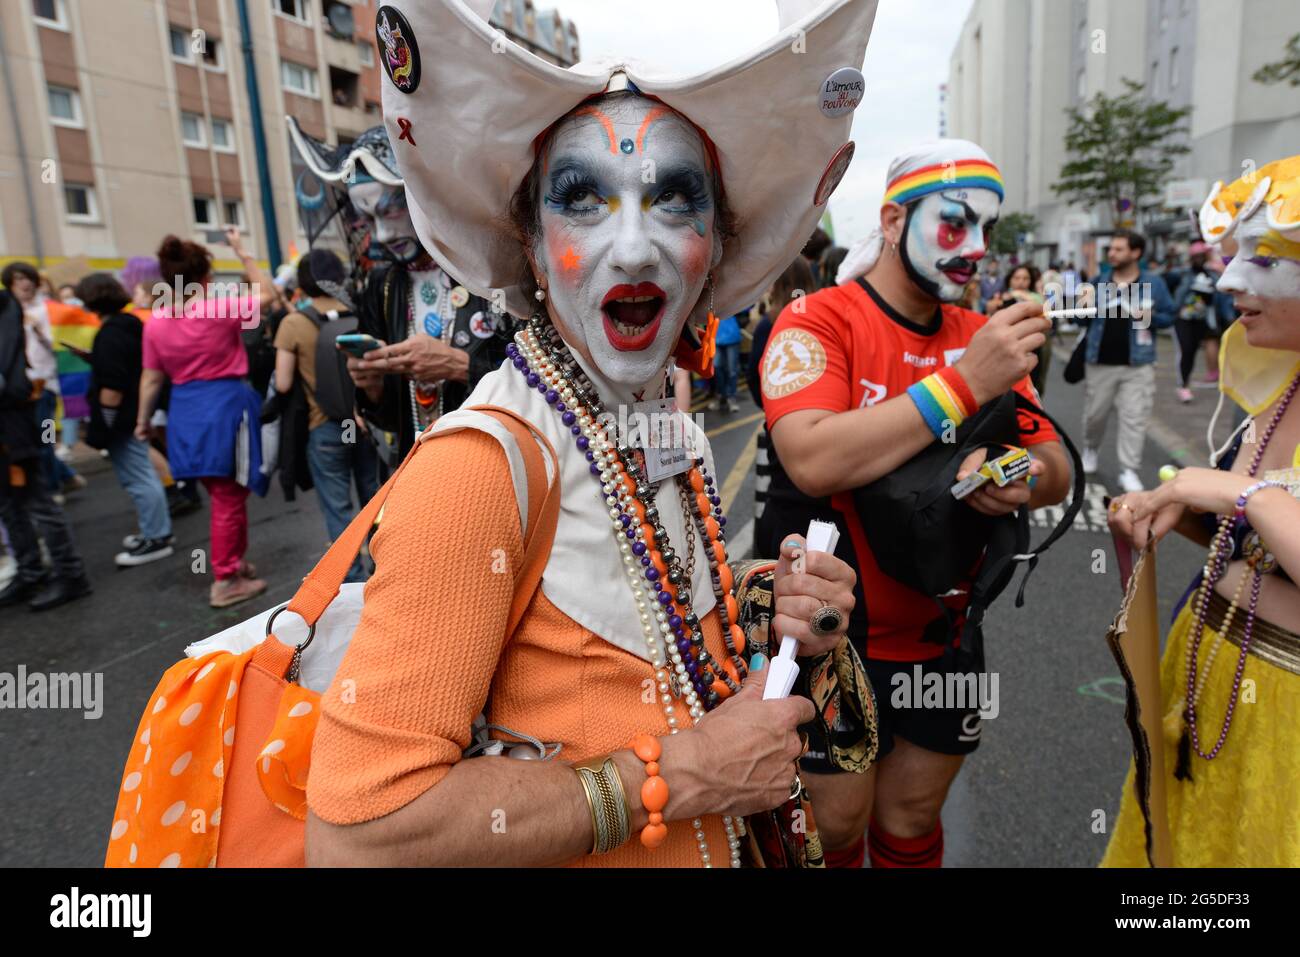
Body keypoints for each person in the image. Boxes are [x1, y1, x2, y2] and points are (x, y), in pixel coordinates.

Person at [304, 0, 879, 868]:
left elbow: (640, 639)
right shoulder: (478, 469)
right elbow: (359, 837)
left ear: (715, 249)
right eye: (584, 201)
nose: (636, 249)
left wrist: (764, 606)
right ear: (532, 248)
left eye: (674, 200)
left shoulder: (657, 420)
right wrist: (682, 775)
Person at [760, 139, 1073, 868]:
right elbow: (811, 458)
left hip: (946, 627)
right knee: (835, 823)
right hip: (835, 631)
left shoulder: (978, 334)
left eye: (988, 230)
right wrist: (964, 384)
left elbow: (1056, 465)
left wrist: (1013, 473)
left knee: (910, 817)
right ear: (895, 220)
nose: (975, 248)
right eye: (955, 222)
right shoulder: (818, 319)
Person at [1103, 155, 1300, 866]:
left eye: (1267, 259)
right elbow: (1252, 541)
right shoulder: (1280, 387)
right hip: (1209, 672)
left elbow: (1257, 505)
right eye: (1237, 255)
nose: (1230, 280)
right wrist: (1174, 512)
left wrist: (1239, 491)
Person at [286, 120, 514, 466]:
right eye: (367, 219)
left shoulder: (495, 273)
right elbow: (390, 418)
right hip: (414, 475)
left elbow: (550, 384)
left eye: (390, 211)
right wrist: (372, 385)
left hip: (495, 467)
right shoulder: (384, 285)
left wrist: (460, 366)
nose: (380, 236)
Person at [136, 228, 276, 608]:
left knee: (224, 491)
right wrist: (242, 252)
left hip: (185, 408)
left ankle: (233, 563)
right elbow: (268, 294)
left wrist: (142, 421)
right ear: (205, 277)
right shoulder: (217, 308)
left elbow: (151, 378)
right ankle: (225, 579)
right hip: (224, 404)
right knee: (230, 494)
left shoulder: (156, 322)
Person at [274, 249, 379, 582]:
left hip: (324, 426)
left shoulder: (294, 323)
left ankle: (352, 587)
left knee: (340, 513)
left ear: (303, 281)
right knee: (374, 505)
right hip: (365, 421)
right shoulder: (360, 312)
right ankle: (387, 573)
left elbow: (284, 382)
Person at [0, 284, 91, 611]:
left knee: (36, 501)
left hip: (13, 426)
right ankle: (30, 571)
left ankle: (70, 574)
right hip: (10, 423)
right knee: (8, 505)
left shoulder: (6, 308)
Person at [75, 273, 174, 566]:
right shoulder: (129, 326)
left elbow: (113, 387)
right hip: (131, 413)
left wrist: (104, 424)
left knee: (139, 478)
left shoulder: (110, 333)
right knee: (143, 474)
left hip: (121, 419)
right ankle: (155, 531)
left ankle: (156, 536)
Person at [1079, 229, 1175, 492]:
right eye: (1111, 248)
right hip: (1099, 361)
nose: (1112, 253)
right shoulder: (1098, 282)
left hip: (1138, 363)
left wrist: (1147, 315)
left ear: (1136, 253)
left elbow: (1168, 317)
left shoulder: (1154, 284)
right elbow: (1079, 318)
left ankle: (1128, 469)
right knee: (1094, 415)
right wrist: (1080, 303)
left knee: (1135, 417)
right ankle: (1090, 449)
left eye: (1119, 249)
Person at [0, 262, 85, 497]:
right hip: (18, 391)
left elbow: (63, 347)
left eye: (27, 278)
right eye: (17, 279)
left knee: (45, 438)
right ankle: (65, 476)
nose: (24, 283)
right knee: (33, 442)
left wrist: (38, 331)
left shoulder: (48, 312)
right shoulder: (6, 312)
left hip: (44, 387)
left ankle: (53, 487)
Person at [748, 256, 815, 527]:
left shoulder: (769, 323)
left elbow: (755, 383)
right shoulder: (822, 318)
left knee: (778, 500)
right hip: (820, 423)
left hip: (779, 428)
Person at [1171, 240, 1236, 402]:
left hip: (1204, 320)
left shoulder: (1212, 274)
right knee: (1185, 351)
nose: (1199, 259)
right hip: (1183, 320)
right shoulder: (1183, 274)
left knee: (1192, 353)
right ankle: (1183, 386)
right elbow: (1170, 283)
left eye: (1202, 256)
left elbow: (1223, 293)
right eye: (1196, 256)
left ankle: (1188, 383)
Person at [988, 262, 1050, 396]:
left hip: (1031, 347)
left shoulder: (1036, 299)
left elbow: (1047, 313)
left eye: (1025, 278)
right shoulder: (1001, 296)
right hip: (1005, 347)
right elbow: (989, 309)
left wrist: (1024, 296)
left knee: (1032, 385)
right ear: (1010, 279)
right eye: (1017, 278)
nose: (1021, 282)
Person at [708, 312, 744, 412]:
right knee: (716, 368)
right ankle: (722, 396)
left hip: (731, 337)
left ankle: (731, 398)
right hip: (716, 338)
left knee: (732, 370)